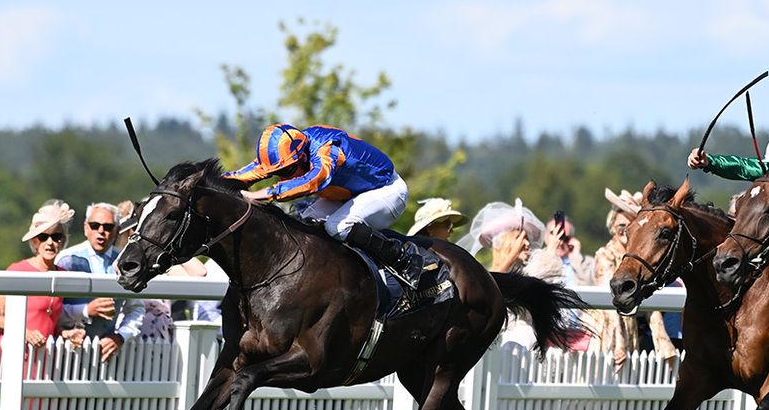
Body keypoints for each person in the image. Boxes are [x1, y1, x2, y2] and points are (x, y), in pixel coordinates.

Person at [223, 123, 423, 287]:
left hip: (387, 190)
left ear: (302, 156)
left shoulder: (326, 150)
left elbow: (311, 181)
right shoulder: (291, 153)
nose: (286, 176)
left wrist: (261, 195)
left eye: (288, 171)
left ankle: (403, 260)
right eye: (279, 173)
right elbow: (245, 174)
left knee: (337, 227)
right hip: (346, 194)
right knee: (300, 226)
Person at [590, 189, 677, 370]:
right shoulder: (605, 255)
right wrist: (619, 343)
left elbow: (650, 307)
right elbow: (609, 306)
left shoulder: (635, 261)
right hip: (608, 329)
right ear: (612, 225)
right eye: (620, 225)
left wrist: (664, 344)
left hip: (629, 327)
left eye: (629, 226)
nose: (623, 231)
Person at [57, 202, 144, 361]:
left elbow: (136, 308)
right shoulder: (67, 260)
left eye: (108, 227)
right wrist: (86, 310)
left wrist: (120, 337)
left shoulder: (125, 261)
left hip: (109, 355)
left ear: (117, 231)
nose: (101, 232)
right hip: (67, 352)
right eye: (95, 225)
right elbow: (52, 310)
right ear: (85, 228)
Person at [0, 200, 85, 349]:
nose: (50, 243)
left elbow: (49, 322)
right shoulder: (17, 270)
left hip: (47, 359)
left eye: (56, 237)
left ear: (63, 241)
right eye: (43, 237)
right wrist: (25, 333)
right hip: (17, 354)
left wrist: (64, 334)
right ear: (34, 241)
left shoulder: (63, 274)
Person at [116, 203, 208, 340]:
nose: (144, 233)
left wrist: (170, 245)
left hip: (161, 338)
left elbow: (199, 273)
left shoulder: (158, 263)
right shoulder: (117, 261)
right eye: (136, 228)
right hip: (129, 334)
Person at [458, 199, 545, 274]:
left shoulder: (531, 275)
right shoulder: (486, 277)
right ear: (501, 242)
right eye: (518, 238)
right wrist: (512, 256)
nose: (527, 243)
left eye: (527, 238)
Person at [544, 214, 594, 286]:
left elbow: (589, 289)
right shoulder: (534, 260)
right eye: (556, 237)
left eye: (565, 238)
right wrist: (549, 253)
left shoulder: (588, 263)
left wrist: (576, 258)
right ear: (546, 237)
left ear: (572, 239)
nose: (560, 242)